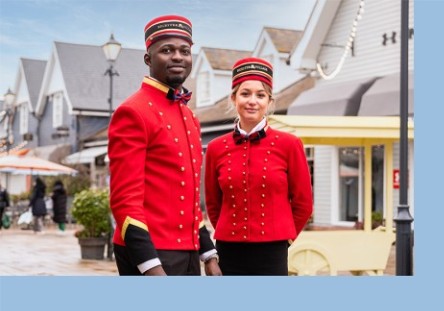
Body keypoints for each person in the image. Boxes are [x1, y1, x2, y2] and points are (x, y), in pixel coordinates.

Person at [108, 15, 221, 276]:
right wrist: (150, 265)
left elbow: (189, 198)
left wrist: (209, 253)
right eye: (167, 50)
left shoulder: (190, 117)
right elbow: (124, 200)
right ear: (148, 59)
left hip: (189, 251)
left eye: (185, 51)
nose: (178, 57)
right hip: (150, 253)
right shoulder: (132, 112)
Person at [204, 57, 313, 275]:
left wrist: (285, 239)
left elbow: (303, 203)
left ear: (269, 102)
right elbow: (213, 204)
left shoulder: (290, 144)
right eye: (245, 94)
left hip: (273, 252)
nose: (252, 101)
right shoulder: (216, 148)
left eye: (260, 95)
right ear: (233, 98)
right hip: (229, 250)